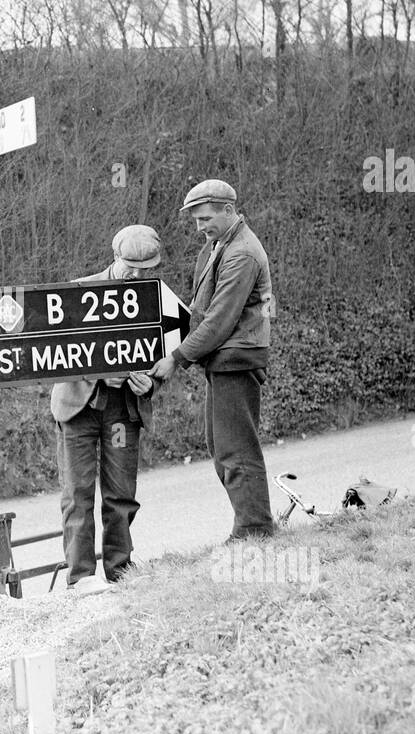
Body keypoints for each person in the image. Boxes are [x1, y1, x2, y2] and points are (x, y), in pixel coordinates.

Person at [149, 180, 275, 540]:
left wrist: (177, 358)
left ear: (228, 211)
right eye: (196, 220)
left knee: (236, 447)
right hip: (223, 360)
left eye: (205, 218)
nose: (200, 227)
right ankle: (253, 523)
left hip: (237, 358)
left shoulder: (242, 253)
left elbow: (219, 320)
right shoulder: (218, 245)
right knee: (220, 446)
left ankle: (255, 528)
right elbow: (199, 309)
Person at [52, 224, 161, 594]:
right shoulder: (80, 292)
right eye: (131, 267)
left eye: (146, 269)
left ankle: (120, 571)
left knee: (120, 495)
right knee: (78, 494)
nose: (137, 276)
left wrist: (154, 381)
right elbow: (55, 352)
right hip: (79, 407)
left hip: (122, 411)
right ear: (116, 258)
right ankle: (81, 578)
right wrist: (103, 371)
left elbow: (163, 353)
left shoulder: (157, 300)